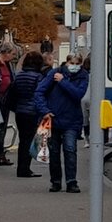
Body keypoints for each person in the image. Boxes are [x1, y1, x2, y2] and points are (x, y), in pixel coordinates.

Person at [35, 50, 89, 193]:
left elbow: (77, 94)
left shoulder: (82, 76)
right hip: (53, 118)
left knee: (70, 150)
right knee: (54, 152)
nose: (75, 66)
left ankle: (71, 181)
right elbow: (39, 92)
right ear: (67, 62)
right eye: (72, 63)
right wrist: (45, 110)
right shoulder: (54, 74)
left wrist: (63, 82)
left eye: (78, 64)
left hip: (71, 120)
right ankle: (56, 181)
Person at [8, 52, 45, 178]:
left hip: (20, 111)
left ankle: (22, 168)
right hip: (32, 112)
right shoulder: (38, 77)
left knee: (23, 140)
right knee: (29, 141)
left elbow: (13, 92)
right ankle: (25, 169)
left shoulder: (19, 76)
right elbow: (40, 94)